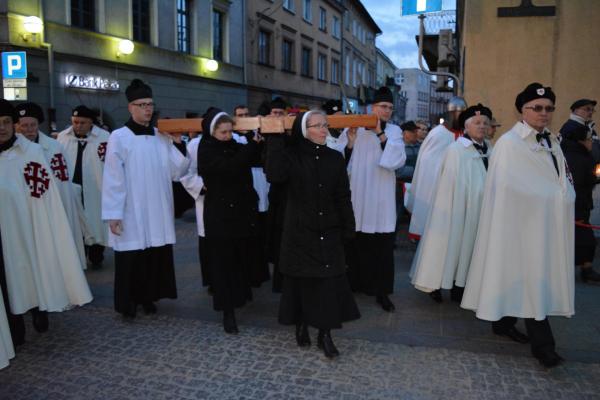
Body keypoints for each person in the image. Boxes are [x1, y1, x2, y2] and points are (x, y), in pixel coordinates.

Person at [462, 83, 574, 368]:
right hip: (520, 227)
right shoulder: (511, 144)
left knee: (526, 279)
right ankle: (544, 348)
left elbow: (559, 179)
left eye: (549, 108)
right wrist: (547, 197)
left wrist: (562, 197)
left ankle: (503, 321)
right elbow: (508, 189)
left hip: (545, 225)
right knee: (533, 282)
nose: (544, 113)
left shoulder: (551, 141)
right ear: (522, 111)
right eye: (537, 108)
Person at [266, 110, 359, 358]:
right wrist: (274, 137)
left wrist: (349, 226)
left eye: (325, 125)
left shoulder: (335, 158)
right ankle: (301, 324)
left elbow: (342, 196)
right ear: (304, 130)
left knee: (328, 286)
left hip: (328, 230)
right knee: (301, 284)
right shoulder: (291, 156)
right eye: (317, 126)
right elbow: (274, 174)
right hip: (299, 231)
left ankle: (325, 334)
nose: (324, 130)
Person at [0, 99, 92, 345]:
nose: (2, 128)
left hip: (25, 228)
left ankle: (37, 309)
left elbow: (46, 192)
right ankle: (12, 326)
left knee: (28, 272)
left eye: (7, 122)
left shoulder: (32, 153)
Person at [102, 79, 190, 318]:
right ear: (130, 107)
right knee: (131, 258)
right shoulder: (119, 137)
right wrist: (113, 214)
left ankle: (148, 297)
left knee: (153, 256)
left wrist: (179, 145)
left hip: (157, 208)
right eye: (142, 105)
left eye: (150, 104)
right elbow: (112, 177)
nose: (148, 109)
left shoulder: (160, 136)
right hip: (131, 209)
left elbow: (178, 171)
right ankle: (128, 302)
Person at [410, 104, 492, 303]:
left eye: (485, 123)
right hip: (456, 210)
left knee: (470, 249)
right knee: (448, 246)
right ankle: (437, 284)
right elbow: (448, 185)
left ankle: (460, 286)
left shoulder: (490, 147)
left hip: (479, 209)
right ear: (466, 126)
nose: (482, 127)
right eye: (477, 123)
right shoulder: (456, 150)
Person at [334, 86, 406, 312]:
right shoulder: (352, 127)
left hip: (382, 196)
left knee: (382, 247)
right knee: (356, 243)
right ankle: (354, 286)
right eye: (383, 107)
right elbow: (338, 160)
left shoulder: (393, 131)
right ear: (371, 107)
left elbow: (396, 160)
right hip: (358, 193)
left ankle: (382, 292)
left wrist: (379, 132)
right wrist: (351, 142)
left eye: (390, 108)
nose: (387, 111)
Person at [197, 107, 263, 334]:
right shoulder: (206, 149)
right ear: (212, 132)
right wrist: (251, 146)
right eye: (223, 133)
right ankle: (228, 312)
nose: (227, 137)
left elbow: (251, 157)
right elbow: (229, 168)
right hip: (220, 216)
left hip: (240, 214)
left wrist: (255, 141)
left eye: (229, 132)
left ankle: (240, 297)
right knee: (223, 264)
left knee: (239, 259)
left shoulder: (234, 145)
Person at [16, 102, 88, 271]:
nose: (29, 130)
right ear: (17, 126)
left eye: (32, 125)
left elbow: (64, 183)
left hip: (52, 208)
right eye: (24, 126)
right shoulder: (11, 150)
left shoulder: (54, 147)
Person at [56, 105, 110, 269]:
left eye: (82, 123)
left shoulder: (104, 137)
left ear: (91, 123)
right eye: (75, 122)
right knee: (76, 221)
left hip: (95, 187)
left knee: (95, 220)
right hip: (72, 187)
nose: (78, 126)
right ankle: (80, 253)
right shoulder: (63, 137)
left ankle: (96, 252)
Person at [406, 99, 467, 241]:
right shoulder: (437, 134)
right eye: (459, 113)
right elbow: (428, 169)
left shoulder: (466, 134)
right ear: (451, 113)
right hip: (438, 193)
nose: (462, 117)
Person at [232, 105, 270, 288]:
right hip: (242, 187)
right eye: (240, 115)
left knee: (260, 232)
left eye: (247, 114)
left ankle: (259, 274)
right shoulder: (231, 138)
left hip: (261, 184)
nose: (244, 117)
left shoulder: (259, 135)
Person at [561, 124, 600, 283]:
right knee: (586, 239)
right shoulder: (580, 157)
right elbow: (583, 179)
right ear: (581, 141)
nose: (592, 142)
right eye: (589, 139)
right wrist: (596, 176)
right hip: (577, 204)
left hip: (578, 203)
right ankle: (586, 269)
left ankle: (584, 268)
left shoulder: (569, 153)